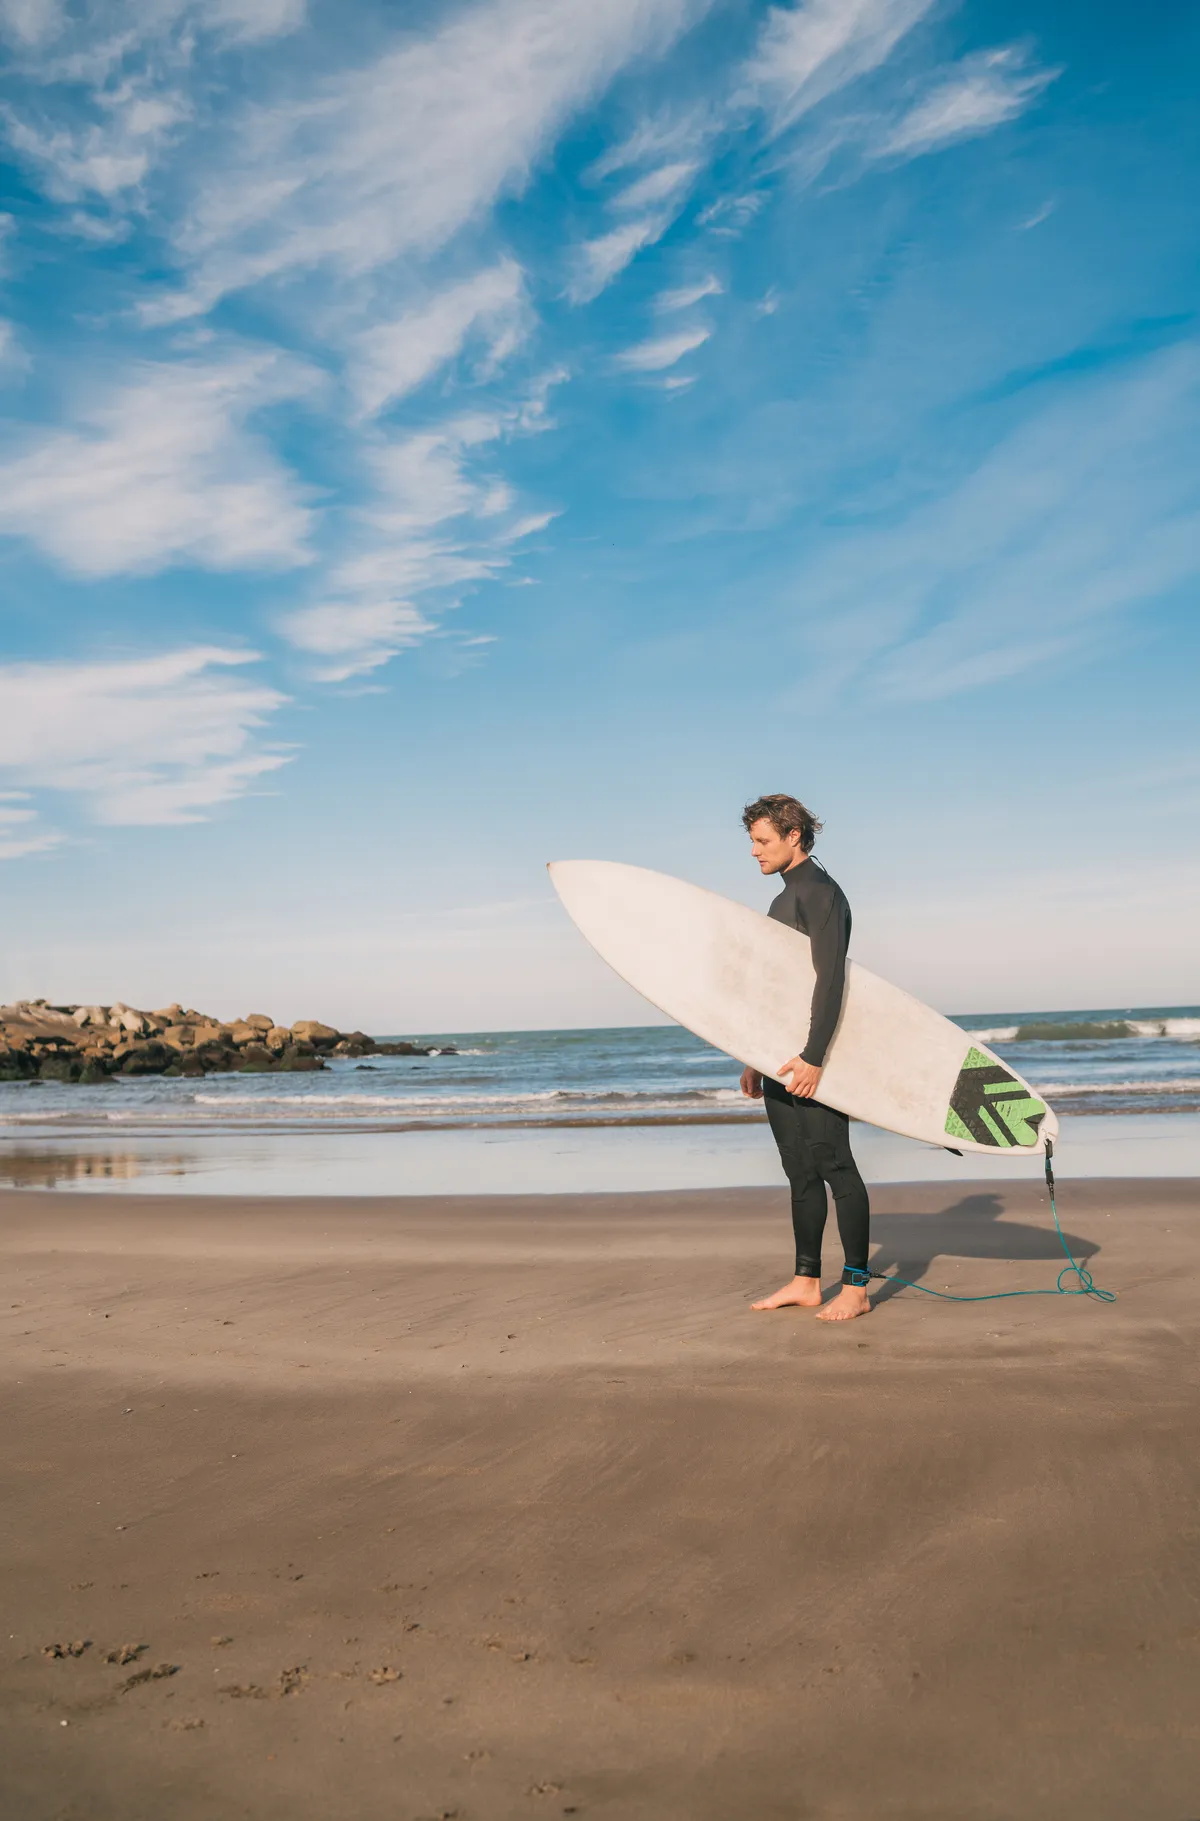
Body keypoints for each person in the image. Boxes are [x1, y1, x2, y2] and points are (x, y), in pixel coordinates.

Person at [739, 794, 872, 1322]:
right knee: (799, 1172)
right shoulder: (783, 899)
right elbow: (779, 990)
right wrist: (755, 1056)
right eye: (752, 840)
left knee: (835, 1165)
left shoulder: (820, 894)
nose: (753, 851)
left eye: (762, 840)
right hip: (780, 1057)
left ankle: (857, 1287)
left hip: (813, 1056)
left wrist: (814, 1057)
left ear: (793, 836)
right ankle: (807, 1280)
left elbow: (830, 981)